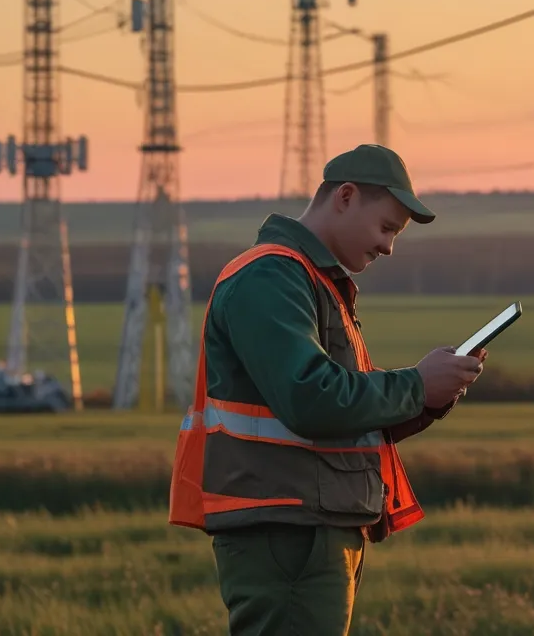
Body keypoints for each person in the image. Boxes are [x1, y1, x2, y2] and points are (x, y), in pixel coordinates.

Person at [167, 143, 487, 635]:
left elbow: (341, 416)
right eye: (386, 228)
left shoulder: (310, 282)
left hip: (306, 523)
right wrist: (416, 383)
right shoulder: (271, 276)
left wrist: (429, 398)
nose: (388, 247)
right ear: (345, 196)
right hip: (287, 531)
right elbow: (311, 398)